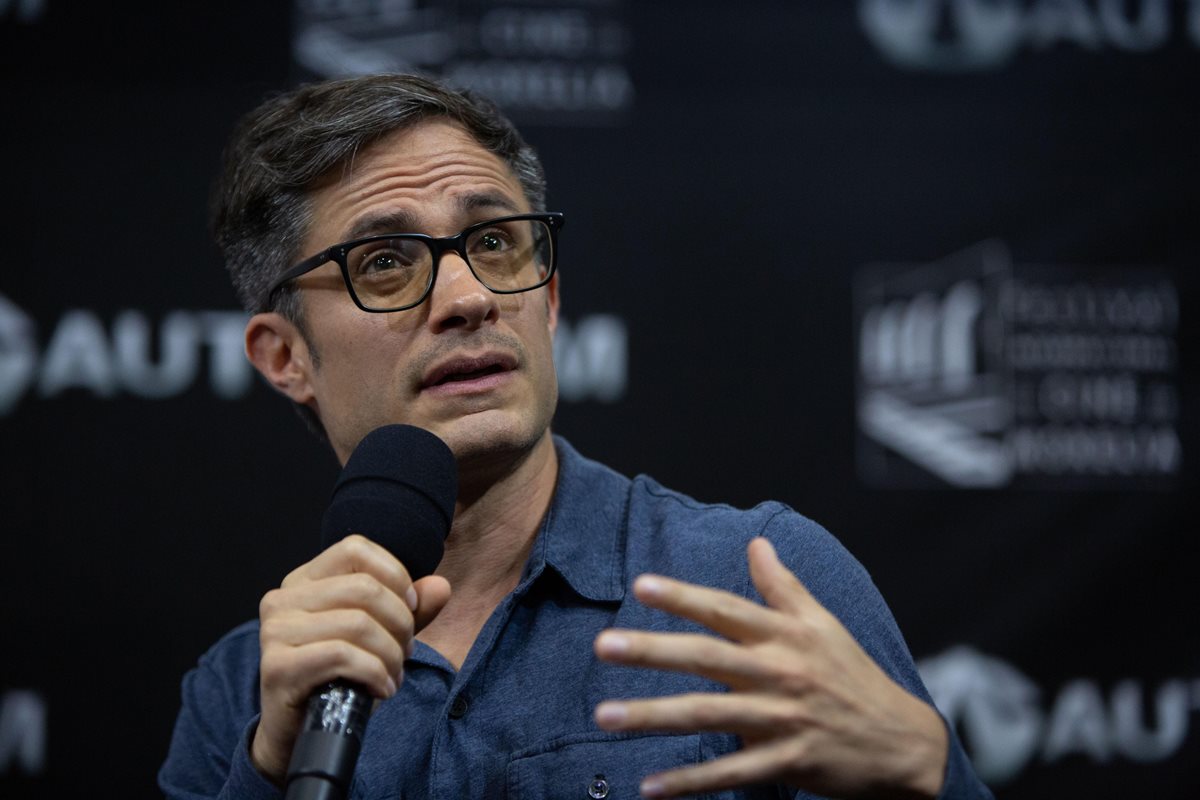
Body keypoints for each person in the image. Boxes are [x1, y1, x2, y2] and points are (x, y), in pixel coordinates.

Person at [160, 73, 992, 800]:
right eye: (386, 260)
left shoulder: (758, 586)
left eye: (494, 243)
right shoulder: (242, 692)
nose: (467, 296)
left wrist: (929, 773)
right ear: (285, 355)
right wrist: (269, 770)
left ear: (549, 301)